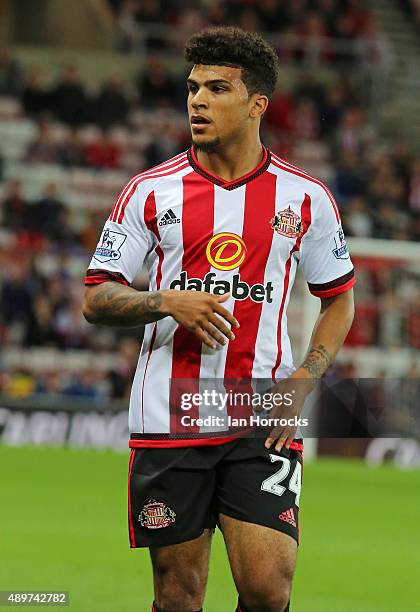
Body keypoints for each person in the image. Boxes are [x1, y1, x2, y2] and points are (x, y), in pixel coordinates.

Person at [83, 26, 355, 612]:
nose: (197, 101)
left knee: (267, 590)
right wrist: (165, 301)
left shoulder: (305, 198)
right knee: (179, 596)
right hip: (169, 412)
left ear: (257, 104)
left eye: (217, 88)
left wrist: (305, 379)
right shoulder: (149, 192)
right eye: (192, 88)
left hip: (262, 413)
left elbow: (339, 299)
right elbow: (96, 296)